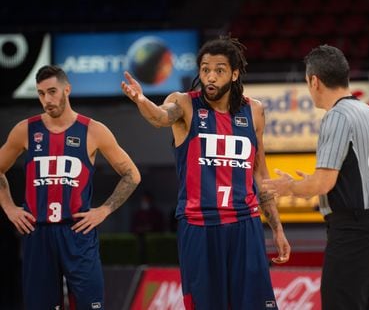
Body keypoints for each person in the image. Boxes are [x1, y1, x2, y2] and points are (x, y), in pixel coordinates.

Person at [121, 35, 291, 310]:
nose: (210, 77)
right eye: (205, 70)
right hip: (199, 225)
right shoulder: (184, 104)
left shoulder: (255, 111)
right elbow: (160, 117)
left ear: (234, 74)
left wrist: (277, 228)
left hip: (245, 224)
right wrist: (142, 100)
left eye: (219, 70)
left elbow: (260, 174)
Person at [262, 45, 369, 310]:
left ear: (314, 80)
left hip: (352, 233)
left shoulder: (337, 116)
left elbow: (323, 183)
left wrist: (290, 186)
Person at [0, 65, 141, 310]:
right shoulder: (25, 130)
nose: (47, 99)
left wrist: (103, 210)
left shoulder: (94, 130)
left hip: (77, 232)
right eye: (41, 93)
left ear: (67, 89)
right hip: (38, 233)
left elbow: (132, 174)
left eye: (52, 91)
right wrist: (9, 208)